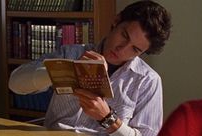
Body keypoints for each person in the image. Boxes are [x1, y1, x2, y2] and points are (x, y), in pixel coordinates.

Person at [9, 0, 171, 135]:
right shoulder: (71, 53)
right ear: (116, 21)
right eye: (124, 35)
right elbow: (15, 84)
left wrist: (107, 118)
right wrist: (66, 70)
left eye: (135, 49)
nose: (122, 48)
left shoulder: (148, 81)